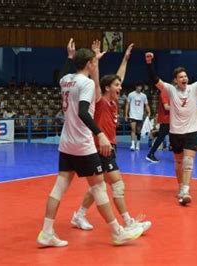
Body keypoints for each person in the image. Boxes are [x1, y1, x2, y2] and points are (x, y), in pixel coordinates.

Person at [36, 39, 142, 248]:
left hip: (66, 142)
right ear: (89, 64)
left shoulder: (65, 80)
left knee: (59, 188)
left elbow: (64, 73)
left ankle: (47, 232)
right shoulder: (87, 84)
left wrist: (69, 56)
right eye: (94, 62)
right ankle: (117, 232)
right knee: (99, 187)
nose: (96, 65)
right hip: (83, 144)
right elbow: (83, 111)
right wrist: (99, 133)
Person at [71, 43, 152, 235]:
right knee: (117, 184)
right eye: (116, 85)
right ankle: (128, 222)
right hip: (100, 147)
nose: (120, 87)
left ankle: (79, 215)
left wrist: (125, 58)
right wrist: (96, 61)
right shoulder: (100, 99)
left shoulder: (114, 100)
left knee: (97, 185)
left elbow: (119, 76)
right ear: (107, 88)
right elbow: (97, 82)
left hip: (109, 147)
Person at [145, 48, 197, 206]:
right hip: (175, 132)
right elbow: (155, 79)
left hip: (191, 132)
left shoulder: (194, 88)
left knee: (188, 162)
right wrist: (149, 63)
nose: (184, 78)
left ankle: (186, 189)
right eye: (181, 77)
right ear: (175, 80)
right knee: (178, 164)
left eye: (185, 76)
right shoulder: (171, 90)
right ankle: (180, 187)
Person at [146, 88, 170, 163]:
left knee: (165, 137)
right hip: (166, 120)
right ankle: (150, 154)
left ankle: (151, 154)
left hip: (170, 120)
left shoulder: (171, 94)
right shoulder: (165, 93)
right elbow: (166, 107)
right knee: (161, 137)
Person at [126, 83, 150, 151]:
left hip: (140, 115)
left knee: (138, 131)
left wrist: (149, 112)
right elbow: (127, 104)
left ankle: (138, 144)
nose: (140, 88)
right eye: (138, 86)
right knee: (133, 130)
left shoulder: (144, 96)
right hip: (132, 115)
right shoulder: (131, 94)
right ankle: (133, 144)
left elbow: (146, 105)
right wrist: (126, 114)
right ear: (136, 87)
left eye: (141, 86)